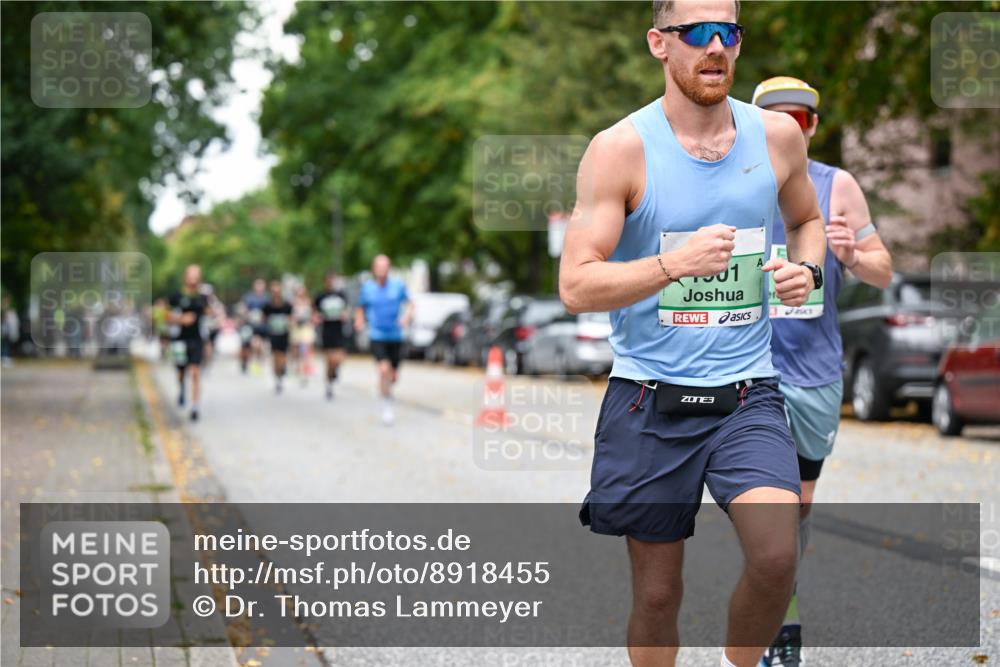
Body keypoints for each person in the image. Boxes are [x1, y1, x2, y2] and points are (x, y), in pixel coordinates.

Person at [558, 2, 828, 666]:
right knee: (657, 595)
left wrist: (806, 271)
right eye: (697, 33)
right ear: (659, 43)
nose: (715, 47)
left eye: (728, 33)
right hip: (650, 398)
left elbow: (808, 221)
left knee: (775, 555)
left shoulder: (775, 138)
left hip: (747, 394)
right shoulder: (619, 149)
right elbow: (576, 284)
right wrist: (671, 265)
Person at [752, 76, 893, 667]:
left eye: (801, 121)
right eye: (778, 119)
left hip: (814, 371)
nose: (791, 128)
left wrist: (853, 255)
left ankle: (772, 594)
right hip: (750, 367)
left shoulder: (839, 188)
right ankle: (777, 628)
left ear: (812, 127)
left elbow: (884, 270)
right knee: (769, 510)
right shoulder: (738, 185)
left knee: (797, 512)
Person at [354, 255, 413, 425]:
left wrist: (407, 317)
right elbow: (361, 308)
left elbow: (410, 304)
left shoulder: (398, 286)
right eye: (379, 267)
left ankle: (387, 390)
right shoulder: (368, 288)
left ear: (389, 268)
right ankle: (386, 405)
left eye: (385, 266)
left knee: (393, 376)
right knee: (383, 369)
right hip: (377, 335)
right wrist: (359, 320)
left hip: (395, 336)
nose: (382, 270)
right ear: (374, 269)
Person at [168, 265, 209, 422]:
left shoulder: (203, 297)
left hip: (196, 339)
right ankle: (181, 388)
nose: (194, 279)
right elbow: (164, 315)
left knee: (195, 372)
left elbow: (211, 313)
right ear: (185, 277)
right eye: (191, 276)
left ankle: (195, 406)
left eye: (196, 276)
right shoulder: (176, 296)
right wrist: (180, 319)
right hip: (179, 339)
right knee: (181, 372)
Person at [314, 271, 350, 400]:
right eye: (329, 280)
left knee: (339, 358)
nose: (331, 282)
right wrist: (317, 318)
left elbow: (346, 311)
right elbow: (315, 313)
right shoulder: (321, 296)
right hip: (327, 331)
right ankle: (329, 385)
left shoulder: (341, 295)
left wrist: (345, 315)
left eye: (333, 280)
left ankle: (335, 371)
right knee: (329, 360)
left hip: (339, 331)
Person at [263, 280, 293, 395]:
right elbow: (264, 318)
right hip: (273, 333)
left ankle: (282, 369)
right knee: (276, 355)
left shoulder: (286, 305)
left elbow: (291, 319)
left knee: (283, 355)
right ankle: (277, 377)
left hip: (284, 333)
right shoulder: (268, 306)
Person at [240, 278, 269, 375]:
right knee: (248, 345)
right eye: (258, 285)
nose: (259, 288)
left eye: (261, 285)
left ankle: (258, 363)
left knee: (259, 346)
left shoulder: (267, 298)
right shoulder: (249, 297)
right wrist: (246, 315)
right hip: (250, 325)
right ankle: (245, 362)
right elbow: (243, 309)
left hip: (262, 326)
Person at [291, 284, 316, 387]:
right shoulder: (293, 303)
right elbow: (291, 317)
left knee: (306, 348)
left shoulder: (308, 302)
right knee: (297, 350)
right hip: (297, 329)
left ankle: (306, 367)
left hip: (306, 328)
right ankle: (298, 365)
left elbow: (313, 315)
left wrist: (312, 321)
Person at [1, 295, 19, 367]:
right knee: (5, 343)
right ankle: (5, 357)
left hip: (8, 329)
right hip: (5, 328)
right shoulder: (3, 308)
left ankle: (6, 357)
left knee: (8, 343)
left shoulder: (8, 309)